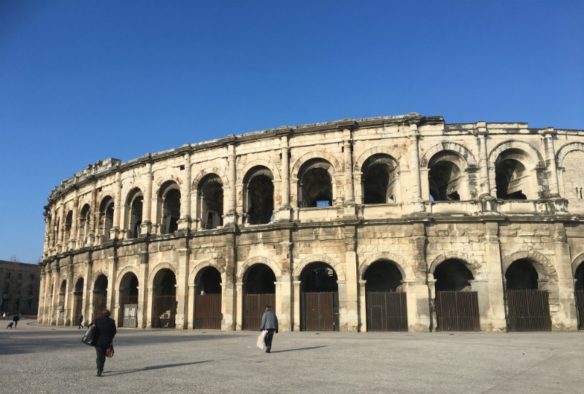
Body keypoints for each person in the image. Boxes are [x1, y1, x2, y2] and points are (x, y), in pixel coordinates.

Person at [93, 309, 117, 377]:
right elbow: (114, 331)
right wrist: (110, 338)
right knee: (102, 356)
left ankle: (99, 369)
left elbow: (94, 329)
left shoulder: (97, 320)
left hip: (98, 341)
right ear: (109, 314)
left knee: (99, 356)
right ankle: (100, 368)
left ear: (102, 314)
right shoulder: (112, 321)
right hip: (107, 341)